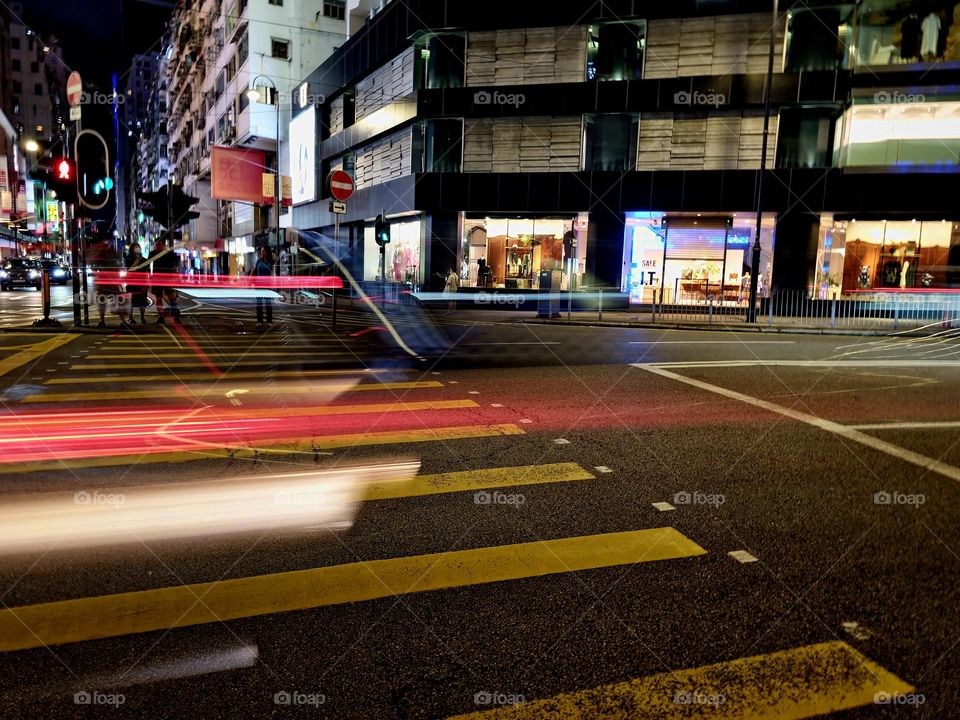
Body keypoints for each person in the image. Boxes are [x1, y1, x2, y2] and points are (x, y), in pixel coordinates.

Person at [87, 233, 129, 329]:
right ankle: (122, 321)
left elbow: (92, 261)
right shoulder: (109, 247)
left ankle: (103, 321)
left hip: (105, 279)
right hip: (111, 278)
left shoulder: (101, 248)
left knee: (103, 300)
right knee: (116, 299)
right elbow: (116, 262)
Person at [151, 238, 180, 324]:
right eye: (156, 244)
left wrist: (175, 273)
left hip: (168, 278)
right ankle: (161, 316)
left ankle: (175, 316)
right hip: (157, 278)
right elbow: (148, 265)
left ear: (163, 244)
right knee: (158, 299)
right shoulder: (152, 253)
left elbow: (176, 263)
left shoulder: (169, 253)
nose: (157, 246)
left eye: (159, 244)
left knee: (172, 299)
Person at [124, 242, 150, 323]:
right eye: (135, 247)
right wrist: (137, 259)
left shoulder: (144, 260)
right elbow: (129, 270)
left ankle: (142, 317)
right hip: (131, 283)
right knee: (131, 301)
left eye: (138, 247)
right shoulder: (128, 259)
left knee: (142, 300)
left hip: (142, 282)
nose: (137, 249)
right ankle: (131, 317)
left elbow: (147, 272)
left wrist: (147, 283)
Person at [251, 245, 274, 328]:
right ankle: (259, 321)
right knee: (259, 304)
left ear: (267, 252)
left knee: (268, 304)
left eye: (263, 250)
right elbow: (254, 270)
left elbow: (273, 270)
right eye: (261, 250)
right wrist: (251, 280)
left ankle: (269, 321)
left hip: (268, 285)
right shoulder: (259, 260)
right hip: (259, 285)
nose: (262, 252)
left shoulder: (271, 261)